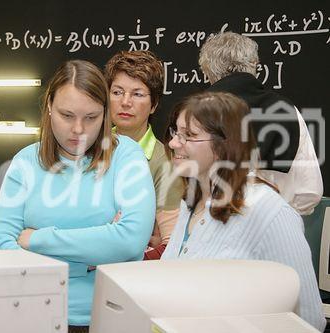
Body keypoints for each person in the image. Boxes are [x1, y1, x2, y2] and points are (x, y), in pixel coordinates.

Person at [0, 60, 155, 331]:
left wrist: (36, 238)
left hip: (109, 318)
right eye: (67, 115)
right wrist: (90, 258)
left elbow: (130, 241)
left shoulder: (126, 155)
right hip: (34, 316)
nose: (78, 129)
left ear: (105, 114)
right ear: (49, 107)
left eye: (91, 118)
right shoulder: (25, 161)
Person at [161, 91, 326, 331]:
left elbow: (308, 318)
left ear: (225, 144)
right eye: (176, 132)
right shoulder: (191, 203)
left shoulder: (270, 212)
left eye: (190, 135)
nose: (174, 143)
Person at [199, 31, 322, 215]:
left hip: (215, 226)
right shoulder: (286, 110)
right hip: (279, 230)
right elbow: (310, 191)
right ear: (254, 65)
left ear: (207, 71)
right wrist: (279, 216)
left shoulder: (196, 114)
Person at [105, 50, 184, 252]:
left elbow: (169, 243)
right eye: (117, 92)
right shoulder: (90, 149)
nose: (125, 102)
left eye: (137, 94)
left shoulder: (165, 162)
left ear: (154, 105)